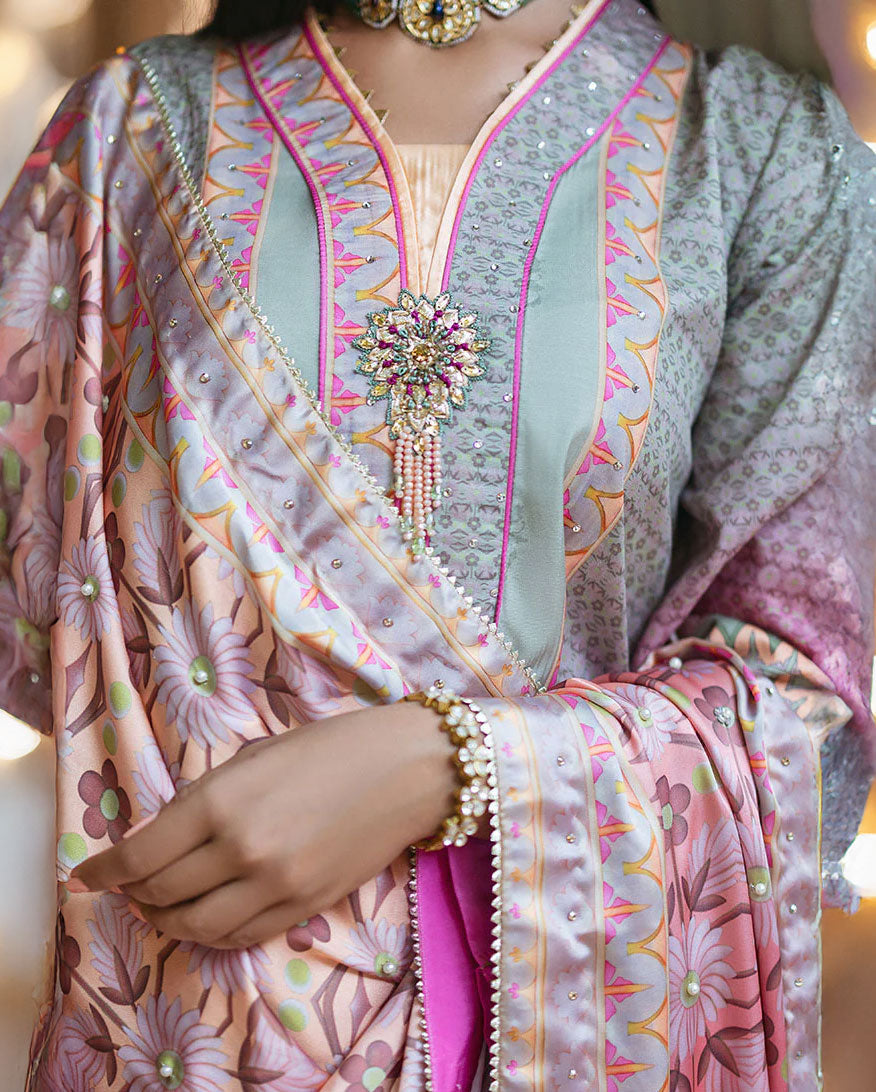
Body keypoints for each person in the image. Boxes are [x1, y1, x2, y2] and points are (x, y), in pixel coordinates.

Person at [1, 0, 873, 1087]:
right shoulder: (134, 135)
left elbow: (803, 694)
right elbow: (46, 620)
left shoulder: (758, 155)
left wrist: (448, 765)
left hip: (568, 1018)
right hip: (197, 1022)